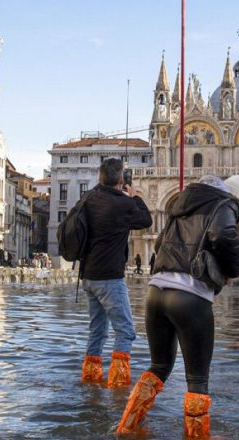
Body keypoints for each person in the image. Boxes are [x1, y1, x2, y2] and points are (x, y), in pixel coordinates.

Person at [116, 174, 239, 437]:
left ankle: (127, 427)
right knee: (198, 379)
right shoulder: (227, 204)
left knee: (159, 367)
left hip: (156, 292)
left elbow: (158, 243)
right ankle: (197, 436)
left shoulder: (183, 204)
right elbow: (223, 234)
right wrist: (232, 270)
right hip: (190, 296)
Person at [80, 158, 152, 388]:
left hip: (88, 276)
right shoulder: (123, 203)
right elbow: (146, 220)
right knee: (126, 332)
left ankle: (90, 381)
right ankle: (119, 386)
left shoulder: (88, 198)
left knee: (97, 331)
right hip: (110, 278)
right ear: (121, 179)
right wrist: (136, 197)